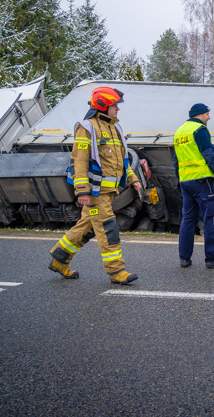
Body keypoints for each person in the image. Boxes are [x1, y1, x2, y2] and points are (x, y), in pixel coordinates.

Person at [49, 86, 141, 284]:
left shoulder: (115, 128)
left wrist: (132, 179)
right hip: (94, 194)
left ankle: (59, 259)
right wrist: (82, 191)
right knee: (108, 229)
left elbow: (122, 160)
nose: (118, 109)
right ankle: (117, 272)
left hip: (109, 192)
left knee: (87, 227)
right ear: (103, 105)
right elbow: (79, 161)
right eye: (114, 105)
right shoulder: (87, 127)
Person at [174, 103, 214, 269]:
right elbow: (209, 156)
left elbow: (176, 160)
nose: (209, 117)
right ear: (199, 115)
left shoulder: (179, 132)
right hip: (202, 181)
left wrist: (180, 179)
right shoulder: (199, 130)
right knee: (210, 219)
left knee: (187, 219)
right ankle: (212, 259)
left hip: (186, 181)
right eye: (207, 114)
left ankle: (184, 258)